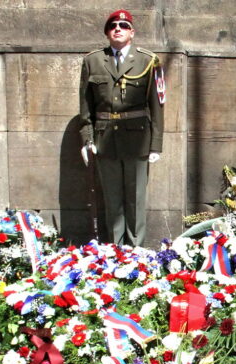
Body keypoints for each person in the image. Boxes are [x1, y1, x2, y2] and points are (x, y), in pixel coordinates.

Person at [79, 9, 166, 247]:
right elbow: (86, 106)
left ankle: (136, 249)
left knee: (136, 198)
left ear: (132, 32)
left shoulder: (149, 61)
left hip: (138, 138)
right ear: (107, 33)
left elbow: (157, 106)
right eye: (113, 26)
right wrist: (87, 140)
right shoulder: (93, 61)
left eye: (123, 25)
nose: (118, 28)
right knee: (112, 198)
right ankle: (115, 249)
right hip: (104, 138)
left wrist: (156, 144)